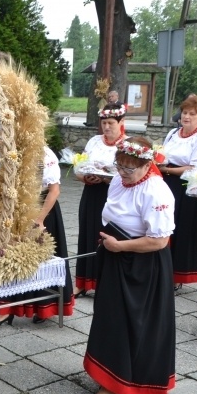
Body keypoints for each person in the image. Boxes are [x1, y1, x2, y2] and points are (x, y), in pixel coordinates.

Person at [83, 137, 176, 394]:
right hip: (115, 255)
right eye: (119, 165)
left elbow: (159, 241)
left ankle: (124, 382)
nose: (122, 173)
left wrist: (120, 245)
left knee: (132, 323)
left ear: (147, 165)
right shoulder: (117, 181)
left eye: (129, 168)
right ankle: (109, 375)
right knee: (111, 318)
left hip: (143, 265)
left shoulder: (156, 192)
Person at [0, 146, 74, 326]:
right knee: (10, 257)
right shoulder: (7, 149)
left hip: (42, 209)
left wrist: (39, 219)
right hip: (15, 209)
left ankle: (44, 307)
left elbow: (54, 191)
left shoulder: (45, 153)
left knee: (41, 260)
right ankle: (6, 309)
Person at [159, 94, 197, 288]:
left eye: (192, 113)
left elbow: (196, 168)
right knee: (163, 225)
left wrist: (167, 169)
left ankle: (177, 275)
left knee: (181, 230)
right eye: (184, 112)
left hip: (186, 188)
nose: (187, 116)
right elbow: (163, 153)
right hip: (166, 183)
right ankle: (161, 269)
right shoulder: (173, 133)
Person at [74, 104, 126, 296]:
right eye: (103, 123)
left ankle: (105, 281)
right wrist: (86, 177)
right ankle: (82, 281)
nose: (106, 127)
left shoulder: (126, 144)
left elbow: (126, 174)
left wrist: (105, 177)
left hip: (113, 196)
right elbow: (80, 168)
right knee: (87, 234)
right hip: (91, 192)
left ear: (121, 123)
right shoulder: (94, 141)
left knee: (107, 236)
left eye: (111, 123)